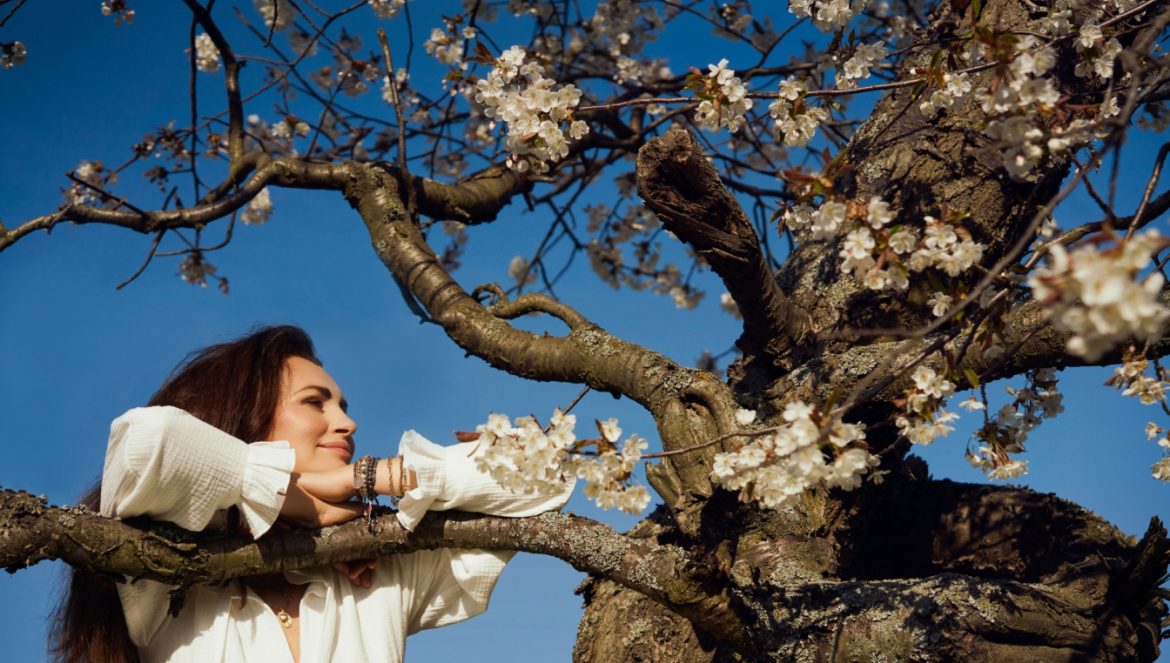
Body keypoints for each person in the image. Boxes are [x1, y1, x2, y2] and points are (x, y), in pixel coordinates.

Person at [51, 325, 574, 663]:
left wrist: (376, 477)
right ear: (241, 415)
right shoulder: (163, 570)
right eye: (314, 402)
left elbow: (543, 474)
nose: (346, 423)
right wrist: (306, 500)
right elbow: (149, 442)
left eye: (342, 406)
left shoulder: (380, 567)